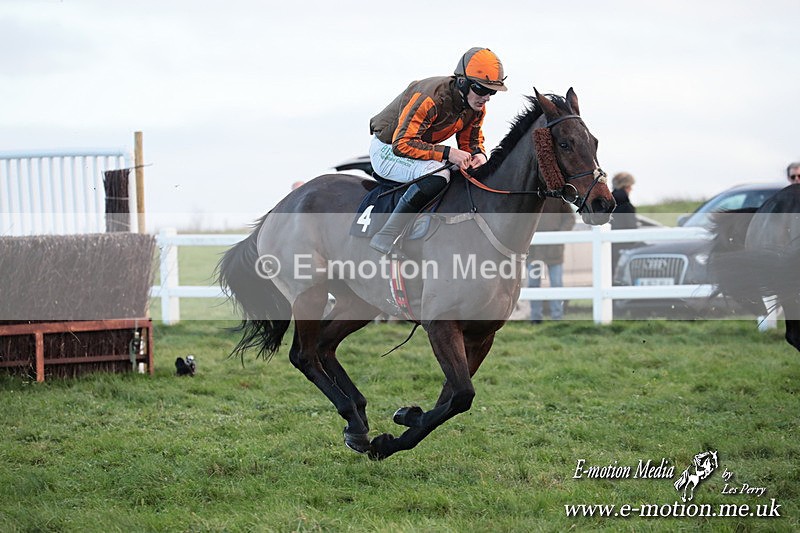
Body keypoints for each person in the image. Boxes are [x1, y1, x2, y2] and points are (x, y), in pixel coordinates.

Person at [367, 47, 507, 253]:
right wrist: (448, 153)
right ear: (463, 82)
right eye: (481, 89)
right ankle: (386, 235)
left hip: (415, 149)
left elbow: (471, 142)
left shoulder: (475, 107)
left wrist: (479, 154)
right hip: (388, 149)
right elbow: (402, 144)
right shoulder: (429, 98)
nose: (486, 97)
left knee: (467, 172)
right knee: (440, 174)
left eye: (492, 91)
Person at [528, 198, 575, 323]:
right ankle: (535, 318)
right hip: (533, 250)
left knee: (556, 283)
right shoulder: (532, 194)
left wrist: (559, 235)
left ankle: (557, 317)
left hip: (554, 249)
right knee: (533, 284)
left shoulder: (559, 198)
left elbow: (570, 218)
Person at [610, 171, 638, 271]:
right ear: (625, 186)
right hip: (625, 247)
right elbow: (631, 228)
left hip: (610, 247)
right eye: (630, 186)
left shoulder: (607, 203)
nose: (631, 189)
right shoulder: (627, 206)